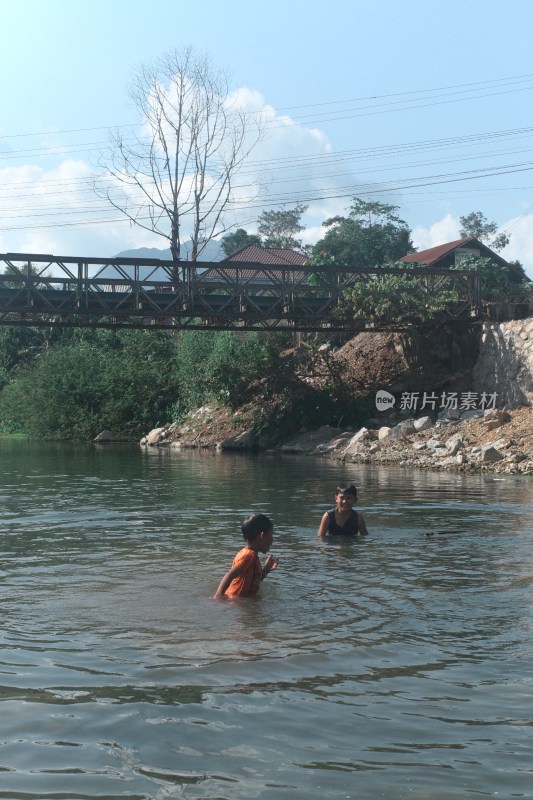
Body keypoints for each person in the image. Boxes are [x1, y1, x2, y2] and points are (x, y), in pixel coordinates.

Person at [214, 513, 279, 599]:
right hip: (234, 601)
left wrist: (266, 570)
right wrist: (218, 596)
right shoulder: (248, 556)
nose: (272, 541)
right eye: (271, 535)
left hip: (241, 601)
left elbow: (254, 581)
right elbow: (230, 574)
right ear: (262, 536)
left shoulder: (251, 556)